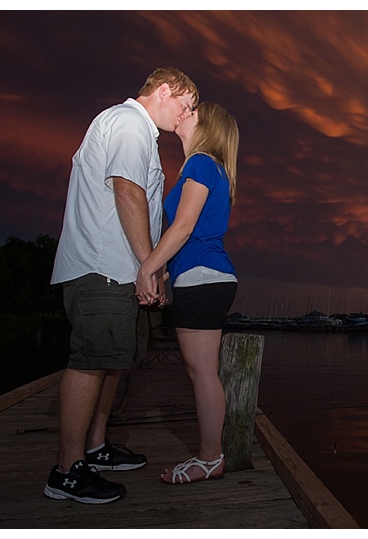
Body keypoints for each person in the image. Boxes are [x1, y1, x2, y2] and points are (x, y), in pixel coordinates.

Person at [46, 68, 198, 504]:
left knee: (112, 359)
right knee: (91, 360)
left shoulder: (139, 133)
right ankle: (66, 471)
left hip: (118, 267)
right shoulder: (129, 123)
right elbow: (128, 193)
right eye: (184, 105)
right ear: (164, 90)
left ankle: (94, 447)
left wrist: (147, 266)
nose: (186, 115)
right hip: (102, 266)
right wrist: (149, 265)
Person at [136, 101, 239, 484]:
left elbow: (182, 228)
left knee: (203, 374)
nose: (186, 111)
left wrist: (146, 268)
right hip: (204, 277)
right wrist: (162, 274)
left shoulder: (200, 164)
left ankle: (211, 458)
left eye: (193, 109)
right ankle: (212, 455)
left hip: (203, 278)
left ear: (207, 125)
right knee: (202, 372)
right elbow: (186, 235)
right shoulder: (209, 167)